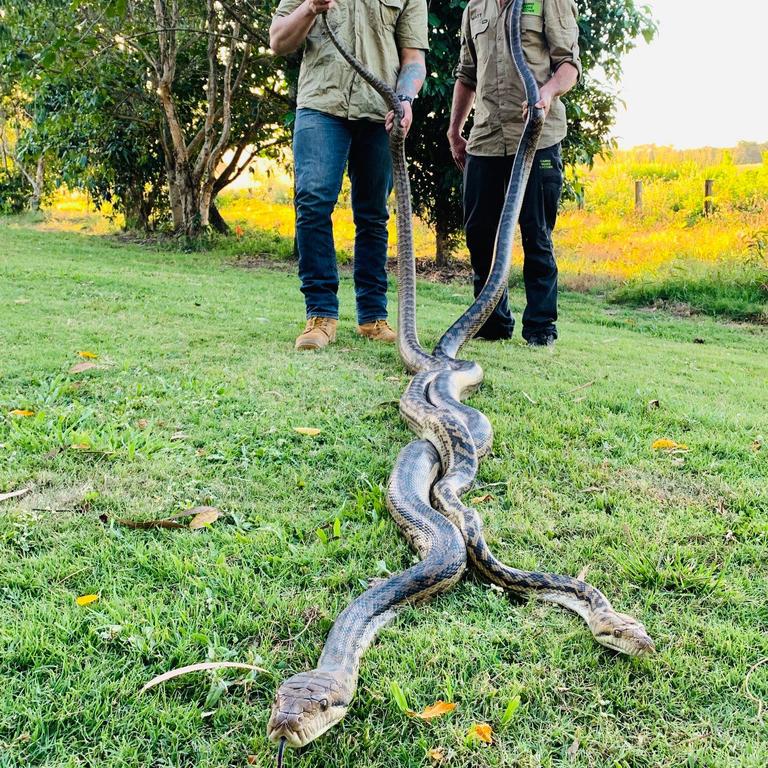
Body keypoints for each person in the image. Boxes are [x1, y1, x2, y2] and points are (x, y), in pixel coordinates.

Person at [270, 0, 429, 351]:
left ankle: (373, 317)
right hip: (320, 106)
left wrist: (404, 99)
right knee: (312, 201)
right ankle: (320, 315)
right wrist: (311, 8)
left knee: (373, 215)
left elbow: (414, 60)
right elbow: (278, 40)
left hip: (378, 111)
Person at [447, 0, 582, 347]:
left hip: (537, 134)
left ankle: (540, 329)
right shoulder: (474, 8)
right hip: (487, 136)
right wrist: (455, 130)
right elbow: (467, 74)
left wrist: (547, 93)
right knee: (479, 234)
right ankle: (493, 323)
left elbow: (568, 64)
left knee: (536, 234)